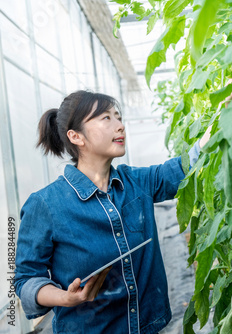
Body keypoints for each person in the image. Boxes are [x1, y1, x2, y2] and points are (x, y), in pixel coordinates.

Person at [14, 90, 210, 333]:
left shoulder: (135, 182)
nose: (120, 126)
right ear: (76, 136)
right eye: (106, 118)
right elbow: (26, 280)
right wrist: (66, 298)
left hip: (147, 326)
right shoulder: (46, 204)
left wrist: (223, 119)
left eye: (118, 117)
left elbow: (181, 169)